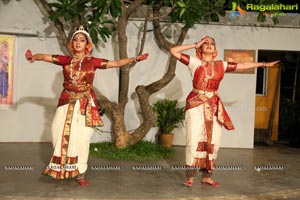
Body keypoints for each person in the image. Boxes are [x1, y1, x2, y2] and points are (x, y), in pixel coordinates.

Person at [25, 25, 149, 186]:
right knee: (57, 133)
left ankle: (80, 173)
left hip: (84, 104)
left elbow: (116, 63)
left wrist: (135, 59)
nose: (78, 43)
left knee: (81, 138)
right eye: (75, 40)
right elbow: (45, 56)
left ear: (87, 44)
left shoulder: (92, 62)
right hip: (66, 102)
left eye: (82, 40)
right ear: (72, 43)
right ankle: (61, 168)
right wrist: (34, 56)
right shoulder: (65, 60)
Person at [170, 36, 279, 187]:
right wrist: (195, 44)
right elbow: (173, 51)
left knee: (214, 140)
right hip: (196, 104)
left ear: (215, 50)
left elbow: (243, 65)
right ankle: (190, 176)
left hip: (214, 105)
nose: (209, 45)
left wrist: (263, 64)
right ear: (200, 49)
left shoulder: (222, 65)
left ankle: (207, 176)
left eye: (211, 44)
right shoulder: (194, 62)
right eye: (205, 43)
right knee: (193, 139)